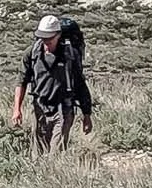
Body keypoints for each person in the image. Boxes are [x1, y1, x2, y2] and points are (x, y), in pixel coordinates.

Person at [9, 13, 94, 153]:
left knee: (56, 154)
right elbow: (21, 82)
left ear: (58, 35)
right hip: (40, 109)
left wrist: (87, 115)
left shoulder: (69, 55)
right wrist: (16, 109)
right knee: (38, 153)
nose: (46, 42)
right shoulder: (32, 54)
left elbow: (80, 85)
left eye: (49, 38)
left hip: (63, 109)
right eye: (43, 38)